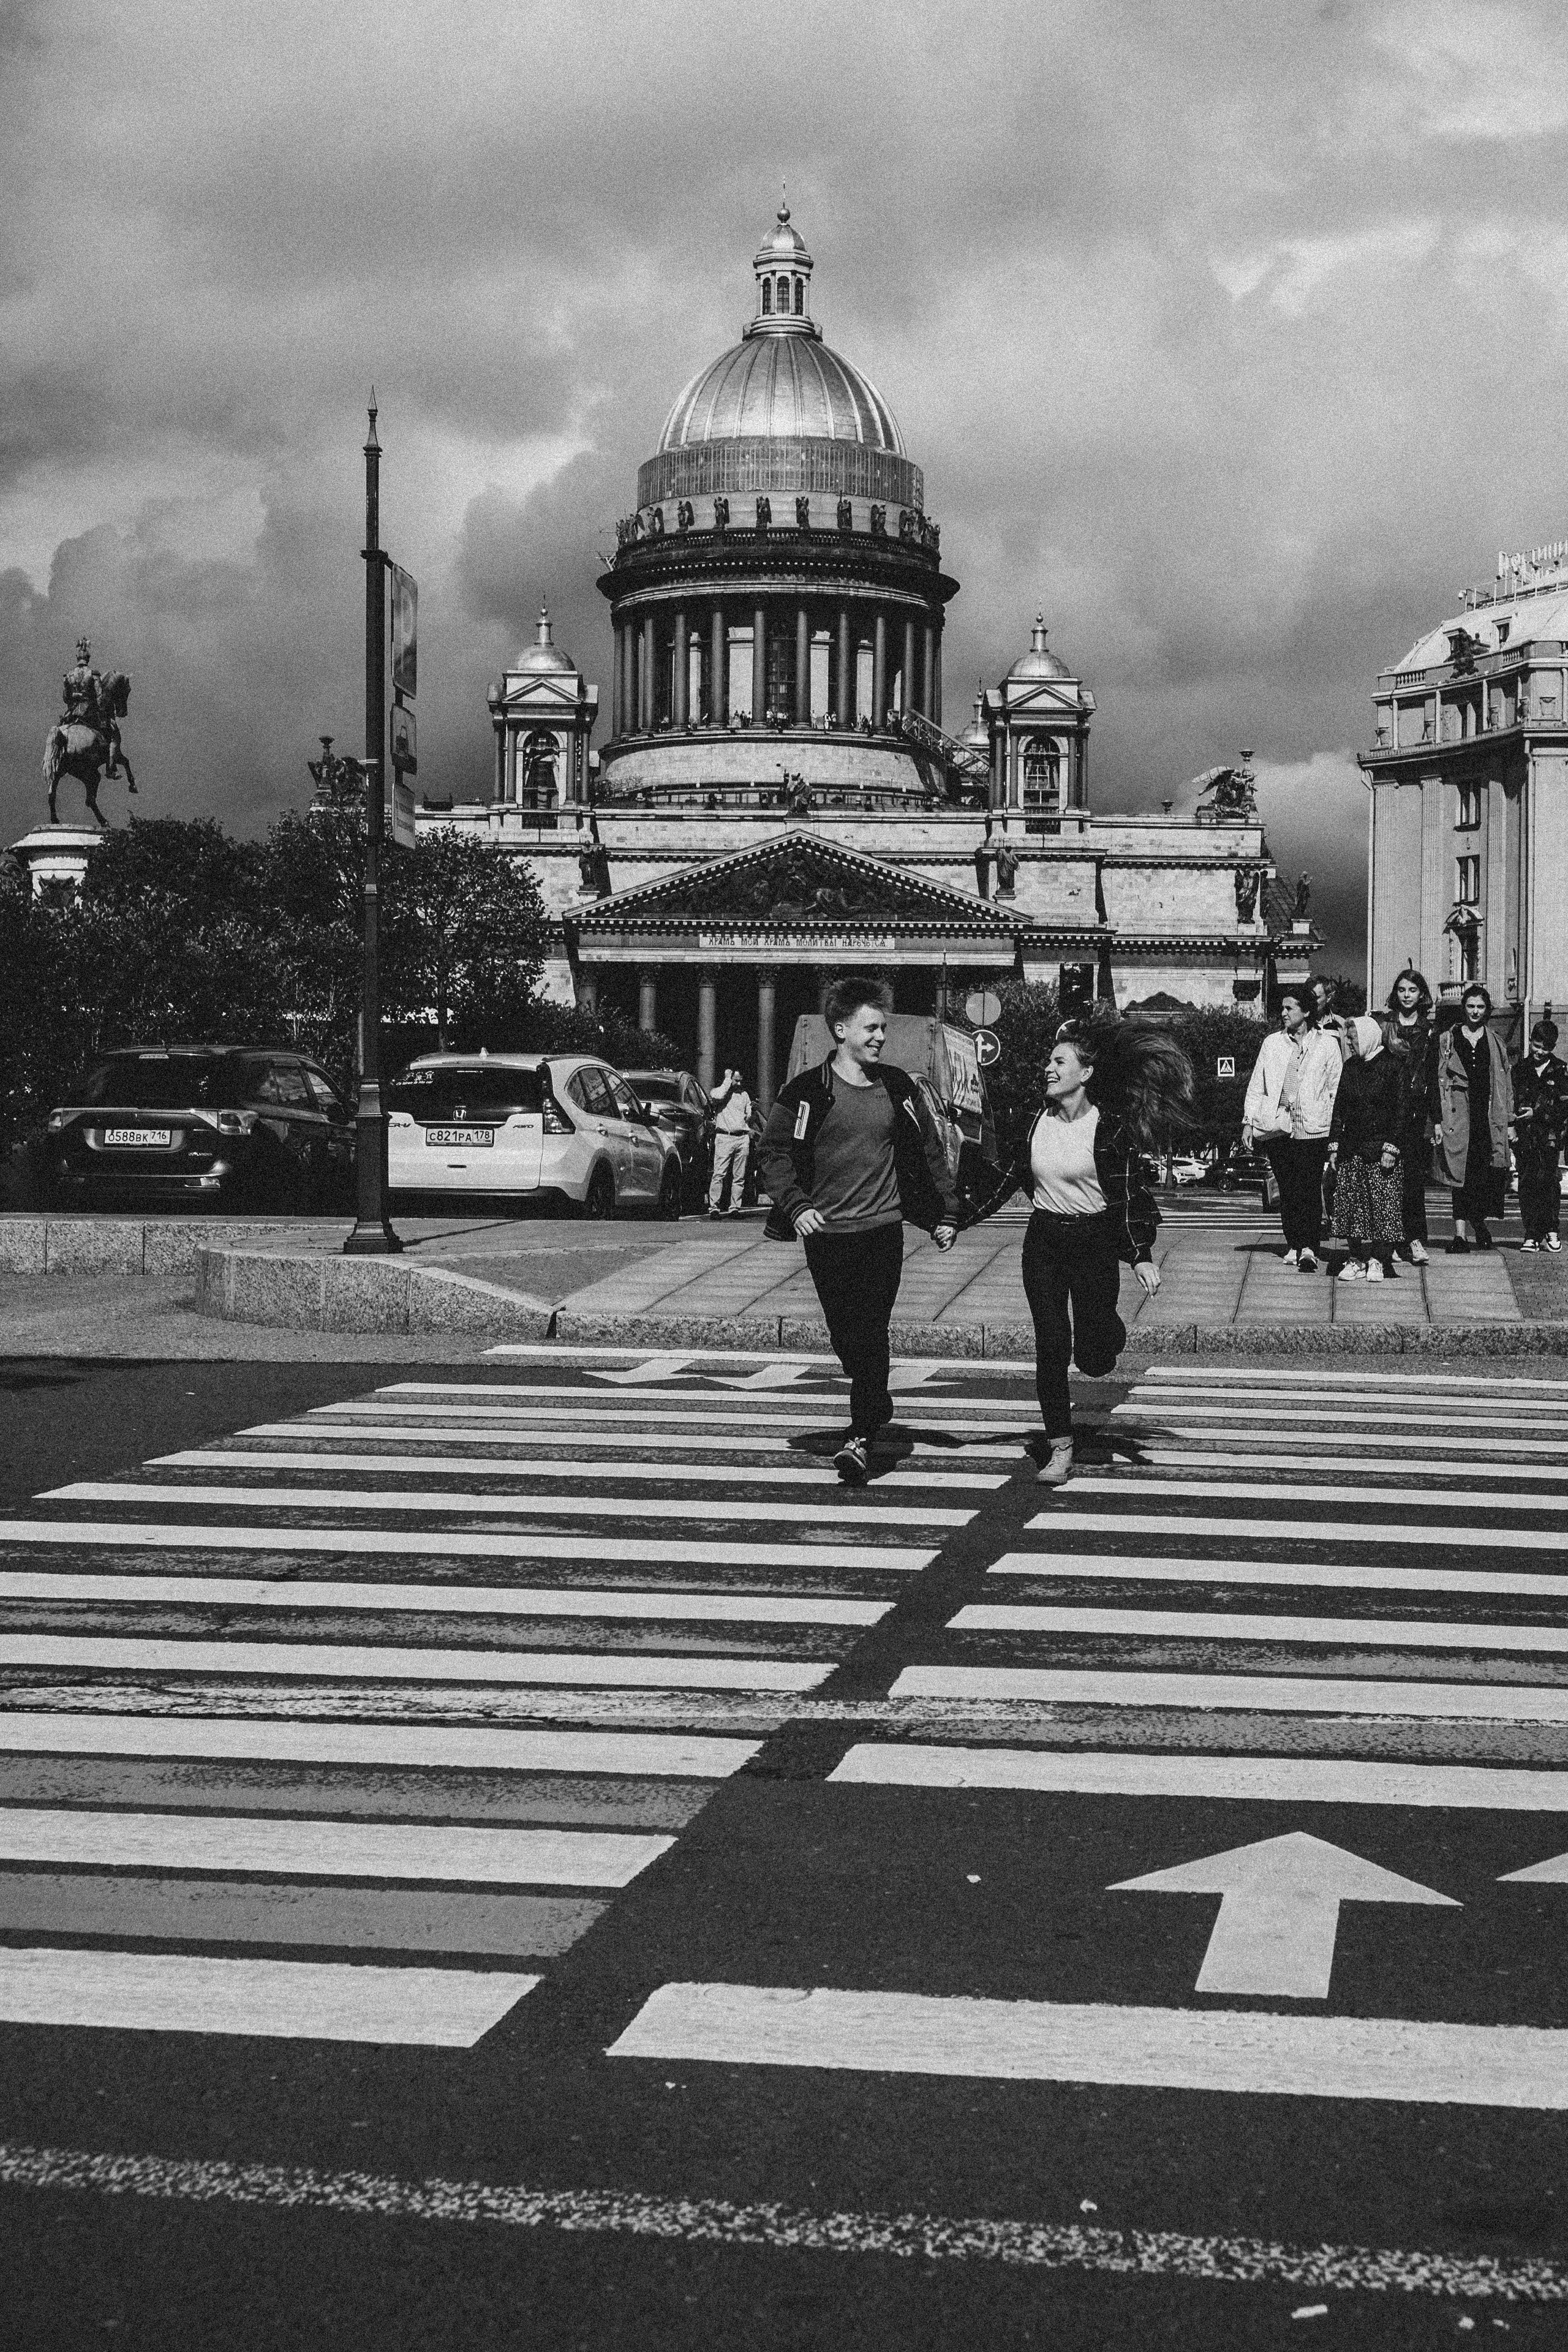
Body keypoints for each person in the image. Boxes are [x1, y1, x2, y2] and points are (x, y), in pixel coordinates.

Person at [963, 1012, 1190, 1485]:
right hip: (1044, 1241)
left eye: (1059, 1061)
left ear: (1084, 1074)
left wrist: (1141, 1255)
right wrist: (954, 1222)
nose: (1049, 1068)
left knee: (1093, 1358)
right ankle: (1060, 1446)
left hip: (1094, 1244)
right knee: (1051, 1346)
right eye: (1049, 1060)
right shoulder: (1033, 1124)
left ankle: (1107, 1331)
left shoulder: (1109, 1130)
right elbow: (1003, 1182)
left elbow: (1128, 1197)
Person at [758, 976, 958, 1484]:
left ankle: (860, 1435)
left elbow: (929, 1154)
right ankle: (874, 1395)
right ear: (841, 1030)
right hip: (827, 1235)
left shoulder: (899, 1088)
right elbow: (774, 1154)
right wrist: (796, 1205)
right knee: (847, 1337)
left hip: (882, 1232)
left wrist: (944, 1215)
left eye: (883, 1029)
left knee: (871, 1332)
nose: (880, 1037)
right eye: (871, 1028)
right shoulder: (805, 1093)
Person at [1242, 987, 1341, 1270]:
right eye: (1282, 1009)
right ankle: (1294, 1243)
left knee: (1309, 1187)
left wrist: (1335, 1133)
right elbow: (1256, 1086)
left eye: (1290, 1009)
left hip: (1313, 1128)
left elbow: (1336, 1089)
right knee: (1287, 1189)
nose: (1283, 1014)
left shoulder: (1327, 1044)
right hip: (1279, 1127)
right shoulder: (1272, 1043)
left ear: (1307, 1012)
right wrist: (1248, 1122)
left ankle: (1309, 1246)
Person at [1324, 1016, 1407, 1282]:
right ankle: (1356, 1258)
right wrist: (1335, 1146)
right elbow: (1340, 1108)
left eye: (1352, 1038)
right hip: (1353, 1149)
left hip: (1382, 1150)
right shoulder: (1351, 1067)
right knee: (1352, 1206)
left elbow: (1401, 1110)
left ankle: (1379, 1260)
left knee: (1383, 1207)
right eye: (1347, 1038)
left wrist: (1391, 1147)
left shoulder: (1393, 1066)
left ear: (1369, 1037)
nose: (1348, 1043)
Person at [1432, 984, 1514, 1251]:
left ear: (1487, 1009)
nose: (1475, 1012)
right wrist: (1438, 1119)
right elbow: (1438, 1079)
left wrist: (1509, 1120)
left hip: (1487, 1117)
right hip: (1458, 1117)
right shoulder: (1449, 1039)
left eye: (1480, 1007)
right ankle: (1460, 1236)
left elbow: (1506, 1082)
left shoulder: (1496, 1041)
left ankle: (1479, 1224)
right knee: (1459, 1176)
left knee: (1482, 1177)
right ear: (1463, 1008)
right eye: (1470, 1006)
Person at [1382, 967, 1434, 1265]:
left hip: (1416, 1111)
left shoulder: (1430, 1030)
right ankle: (1389, 1240)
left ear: (1421, 994)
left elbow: (1434, 1075)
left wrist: (1436, 1120)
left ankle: (1414, 1239)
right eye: (1402, 990)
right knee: (1387, 1177)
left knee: (1413, 1179)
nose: (1407, 996)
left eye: (1412, 991)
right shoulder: (1384, 1024)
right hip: (1387, 1109)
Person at [1512, 1019, 1568, 1253]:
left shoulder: (1561, 1070)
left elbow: (1564, 1106)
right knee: (1527, 1183)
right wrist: (1511, 1127)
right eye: (1537, 1045)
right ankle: (1531, 1234)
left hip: (1550, 1137)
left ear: (1552, 1048)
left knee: (1549, 1183)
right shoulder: (1520, 1069)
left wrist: (1538, 1112)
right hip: (1525, 1138)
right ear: (1531, 1042)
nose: (1539, 1051)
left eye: (1545, 1048)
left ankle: (1551, 1230)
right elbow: (1512, 1100)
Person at [706, 1066, 755, 1218]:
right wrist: (727, 1080)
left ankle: (735, 1207)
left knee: (739, 1176)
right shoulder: (719, 1092)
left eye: (740, 1081)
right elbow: (718, 1097)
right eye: (736, 1080)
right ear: (729, 1079)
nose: (739, 1084)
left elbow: (749, 1115)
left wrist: (749, 1118)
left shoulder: (745, 1095)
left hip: (742, 1137)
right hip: (724, 1136)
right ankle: (714, 1207)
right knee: (719, 1173)